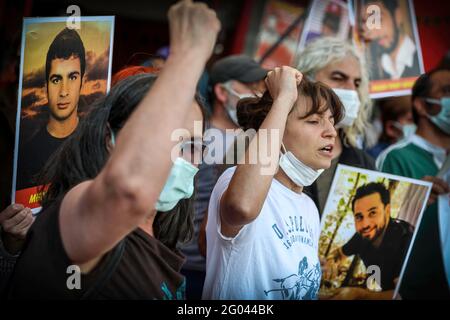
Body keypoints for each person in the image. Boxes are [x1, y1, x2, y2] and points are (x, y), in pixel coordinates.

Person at [7, 0, 220, 299]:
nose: (177, 155)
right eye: (164, 138)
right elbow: (128, 189)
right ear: (110, 137)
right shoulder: (78, 213)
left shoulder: (160, 236)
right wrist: (190, 51)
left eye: (191, 145)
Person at [202, 66, 344, 300]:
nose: (331, 132)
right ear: (276, 132)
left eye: (331, 121)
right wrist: (284, 97)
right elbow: (243, 207)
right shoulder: (234, 181)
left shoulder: (308, 206)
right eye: (313, 121)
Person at [180, 55, 267, 299]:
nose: (258, 95)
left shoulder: (256, 140)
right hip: (189, 265)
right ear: (221, 91)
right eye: (251, 88)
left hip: (235, 268)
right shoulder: (196, 134)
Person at [376, 67, 450, 299]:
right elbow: (379, 233)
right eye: (447, 91)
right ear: (420, 105)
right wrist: (414, 201)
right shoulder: (397, 157)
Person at [296, 37, 376, 215]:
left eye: (356, 83)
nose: (351, 90)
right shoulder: (268, 145)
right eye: (339, 78)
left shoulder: (365, 164)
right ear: (305, 80)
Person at [17, 27, 86, 190]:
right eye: (56, 79)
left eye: (72, 77)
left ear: (82, 81)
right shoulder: (26, 153)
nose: (63, 91)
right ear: (46, 86)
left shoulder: (94, 144)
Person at [325, 182, 414, 299]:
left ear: (387, 211)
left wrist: (359, 295)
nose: (365, 224)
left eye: (372, 213)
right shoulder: (360, 237)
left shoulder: (406, 237)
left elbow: (403, 295)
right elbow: (339, 254)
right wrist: (331, 263)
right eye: (359, 217)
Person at [359, 0, 420, 80]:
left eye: (378, 20)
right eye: (366, 25)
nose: (373, 34)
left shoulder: (421, 60)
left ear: (398, 16)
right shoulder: (377, 70)